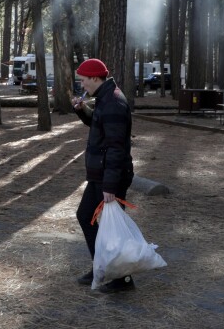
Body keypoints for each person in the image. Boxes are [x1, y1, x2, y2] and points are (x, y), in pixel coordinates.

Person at [71, 58, 135, 294]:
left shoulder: (114, 102)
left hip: (112, 177)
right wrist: (82, 111)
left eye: (84, 80)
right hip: (101, 174)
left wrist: (110, 184)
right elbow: (99, 126)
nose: (82, 84)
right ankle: (102, 266)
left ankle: (123, 279)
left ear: (95, 78)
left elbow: (117, 147)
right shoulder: (104, 99)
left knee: (113, 229)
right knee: (86, 215)